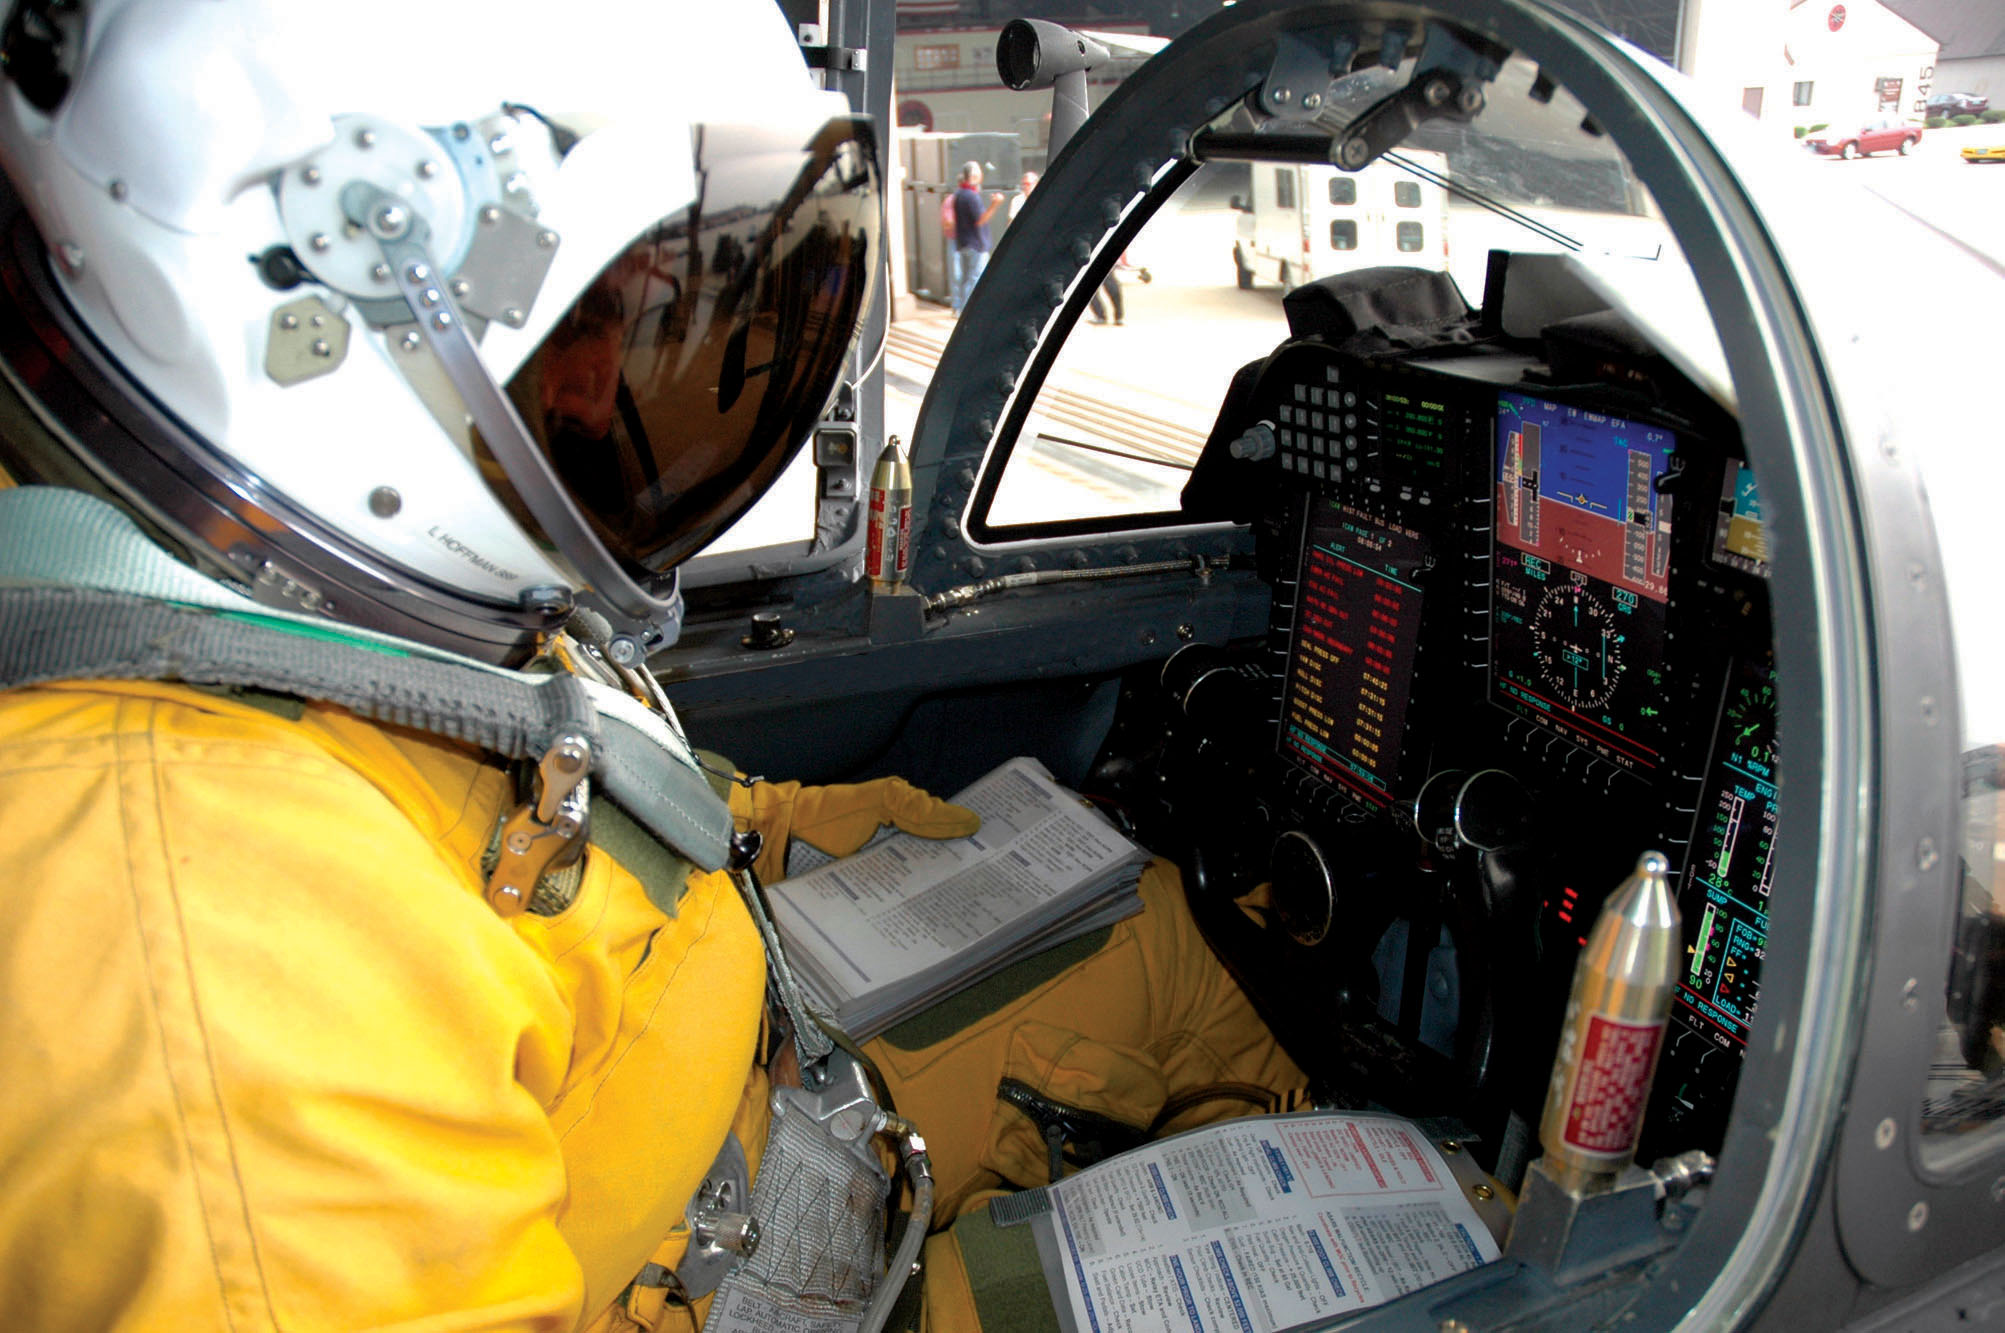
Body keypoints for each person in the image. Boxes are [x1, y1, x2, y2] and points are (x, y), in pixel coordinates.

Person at [0, 4, 1303, 1331]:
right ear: (328, 291)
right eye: (590, 329)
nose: (597, 395)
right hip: (769, 1260)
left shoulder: (330, 589)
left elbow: (526, 778)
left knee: (1161, 926)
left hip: (757, 1054)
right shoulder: (203, 964)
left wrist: (782, 832)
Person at [949, 160, 1005, 314]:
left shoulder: (959, 194)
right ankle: (966, 310)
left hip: (965, 242)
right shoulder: (971, 196)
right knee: (975, 278)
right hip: (977, 244)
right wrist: (995, 204)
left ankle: (962, 308)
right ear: (973, 176)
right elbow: (980, 220)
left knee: (969, 277)